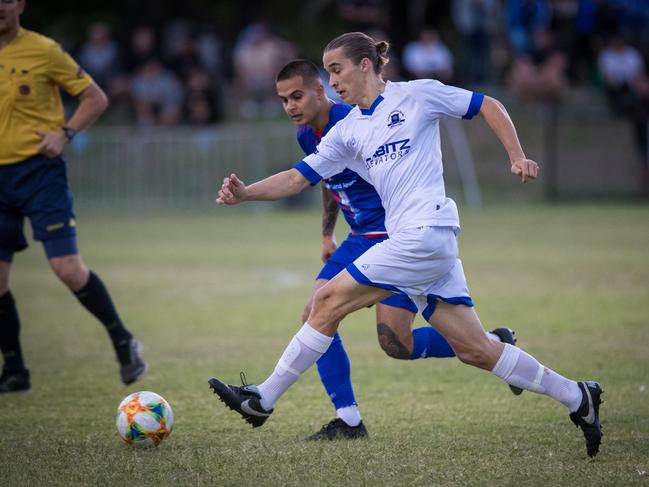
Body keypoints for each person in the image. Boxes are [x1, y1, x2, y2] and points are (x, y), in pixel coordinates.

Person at [209, 32, 603, 457]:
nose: (333, 80)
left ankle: (263, 400)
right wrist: (246, 193)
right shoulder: (348, 131)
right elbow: (297, 177)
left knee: (325, 302)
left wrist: (516, 154)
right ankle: (578, 396)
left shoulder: (418, 95)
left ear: (365, 65)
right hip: (419, 244)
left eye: (337, 69)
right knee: (475, 350)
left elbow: (489, 104)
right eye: (327, 72)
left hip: (426, 232)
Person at [275, 59, 522, 440]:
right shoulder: (308, 133)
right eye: (284, 100)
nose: (290, 106)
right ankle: (349, 418)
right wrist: (327, 233)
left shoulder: (353, 119)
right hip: (360, 237)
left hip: (392, 234)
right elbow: (326, 176)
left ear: (319, 90)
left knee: (372, 332)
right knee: (352, 325)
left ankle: (492, 347)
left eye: (296, 96)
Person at [0, 0, 147, 393]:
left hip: (38, 173)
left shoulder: (43, 50)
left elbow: (95, 97)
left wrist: (64, 134)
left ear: (21, 5)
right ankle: (15, 371)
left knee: (66, 268)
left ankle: (122, 341)